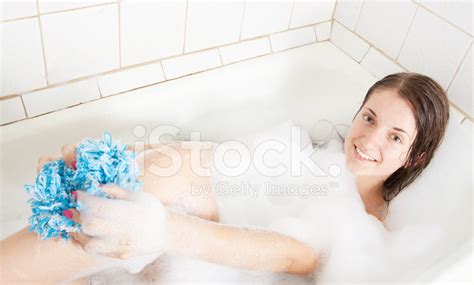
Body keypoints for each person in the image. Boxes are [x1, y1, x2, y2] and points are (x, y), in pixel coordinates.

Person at [0, 72, 450, 283]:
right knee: (163, 162)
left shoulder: (366, 226)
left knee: (135, 194)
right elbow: (235, 158)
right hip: (194, 199)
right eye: (368, 117)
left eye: (395, 136)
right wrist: (126, 154)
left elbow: (295, 256)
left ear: (416, 155)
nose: (369, 139)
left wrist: (160, 227)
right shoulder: (318, 153)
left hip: (198, 228)